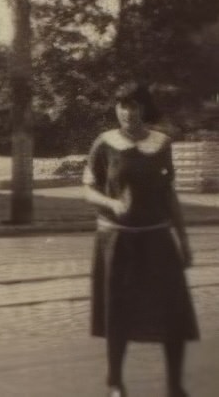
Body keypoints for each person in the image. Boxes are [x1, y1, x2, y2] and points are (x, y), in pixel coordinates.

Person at [83, 81, 198, 397]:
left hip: (157, 239)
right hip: (118, 241)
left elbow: (169, 194)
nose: (127, 113)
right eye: (121, 106)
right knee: (118, 313)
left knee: (172, 312)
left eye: (133, 106)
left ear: (144, 108)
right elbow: (89, 187)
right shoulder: (104, 143)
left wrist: (184, 240)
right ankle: (115, 383)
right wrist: (112, 204)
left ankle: (175, 386)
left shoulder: (162, 144)